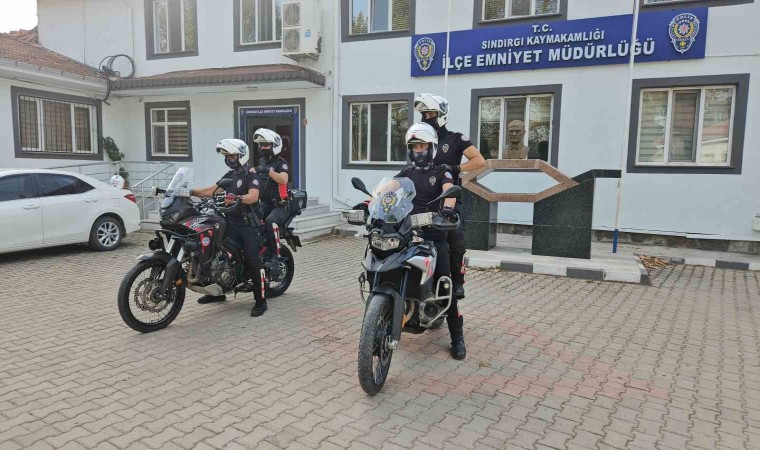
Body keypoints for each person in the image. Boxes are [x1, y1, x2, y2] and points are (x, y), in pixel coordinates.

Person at [356, 122, 467, 360]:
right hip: (406, 230)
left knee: (445, 283)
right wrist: (371, 203)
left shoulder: (442, 171)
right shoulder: (407, 173)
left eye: (422, 146)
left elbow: (450, 190)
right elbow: (387, 190)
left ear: (431, 147)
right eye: (415, 147)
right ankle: (386, 312)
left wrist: (447, 209)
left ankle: (457, 336)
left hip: (432, 231)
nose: (418, 151)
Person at [414, 93, 486, 300]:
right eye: (423, 114)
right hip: (424, 199)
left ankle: (457, 282)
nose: (426, 117)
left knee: (456, 241)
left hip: (449, 199)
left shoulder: (456, 139)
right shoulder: (421, 138)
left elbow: (479, 161)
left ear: (442, 114)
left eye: (430, 114)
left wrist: (456, 168)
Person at [189, 138, 268, 317]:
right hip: (231, 222)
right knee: (215, 253)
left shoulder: (251, 174)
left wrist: (238, 198)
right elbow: (210, 190)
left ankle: (261, 300)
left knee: (252, 259)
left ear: (242, 155)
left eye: (232, 155)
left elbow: (253, 196)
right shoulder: (230, 175)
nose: (229, 159)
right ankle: (217, 292)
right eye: (227, 156)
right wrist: (187, 191)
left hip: (248, 225)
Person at [251, 129, 290, 262]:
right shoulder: (262, 161)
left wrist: (267, 170)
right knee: (249, 217)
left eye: (266, 145)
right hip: (264, 204)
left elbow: (283, 179)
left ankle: (275, 256)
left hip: (280, 206)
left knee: (270, 221)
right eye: (261, 145)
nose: (262, 147)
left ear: (275, 145)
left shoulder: (281, 163)